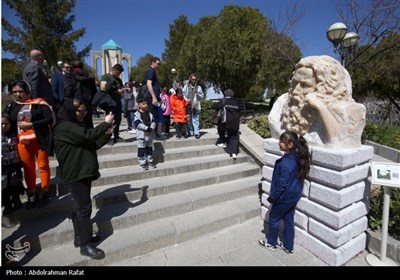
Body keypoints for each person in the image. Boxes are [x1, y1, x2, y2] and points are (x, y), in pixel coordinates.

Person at [54, 99, 114, 260]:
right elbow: (89, 136)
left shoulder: (75, 127)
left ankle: (81, 237)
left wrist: (106, 135)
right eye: (80, 111)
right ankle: (85, 245)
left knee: (81, 207)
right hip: (75, 173)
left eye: (84, 111)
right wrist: (105, 124)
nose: (83, 114)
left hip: (82, 172)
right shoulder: (65, 127)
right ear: (70, 111)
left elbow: (92, 144)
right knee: (84, 208)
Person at [4, 80, 55, 209]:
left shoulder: (39, 104)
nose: (17, 94)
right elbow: (7, 123)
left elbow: (49, 119)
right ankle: (32, 192)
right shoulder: (11, 107)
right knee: (28, 168)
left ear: (27, 92)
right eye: (14, 92)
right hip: (22, 143)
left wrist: (32, 125)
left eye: (20, 91)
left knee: (43, 165)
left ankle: (44, 191)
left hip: (40, 140)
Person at [258, 131, 311, 254]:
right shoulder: (297, 158)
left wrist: (273, 197)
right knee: (288, 220)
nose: (279, 143)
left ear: (290, 144)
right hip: (293, 197)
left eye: (282, 141)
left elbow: (282, 184)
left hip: (284, 198)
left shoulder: (287, 162)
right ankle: (288, 246)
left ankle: (271, 243)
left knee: (274, 218)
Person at [1, 114, 25, 216]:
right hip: (3, 166)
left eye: (6, 124)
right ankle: (7, 205)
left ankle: (16, 200)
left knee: (15, 183)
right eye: (1, 124)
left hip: (15, 164)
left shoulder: (15, 134)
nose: (3, 126)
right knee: (4, 187)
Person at [64, 60, 97, 129]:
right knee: (88, 123)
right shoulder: (89, 77)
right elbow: (94, 91)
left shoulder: (70, 76)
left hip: (75, 104)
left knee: (75, 125)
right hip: (87, 104)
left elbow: (68, 91)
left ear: (72, 67)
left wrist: (67, 102)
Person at [100, 64, 124, 144]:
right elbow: (103, 88)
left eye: (120, 73)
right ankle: (108, 138)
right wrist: (115, 91)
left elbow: (120, 88)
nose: (119, 74)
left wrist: (123, 90)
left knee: (118, 120)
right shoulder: (105, 76)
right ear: (113, 70)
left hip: (117, 102)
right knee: (110, 120)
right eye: (118, 72)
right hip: (109, 102)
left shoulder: (119, 80)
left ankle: (116, 136)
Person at [214, 89, 240, 159]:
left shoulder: (223, 101)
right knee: (233, 136)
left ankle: (223, 142)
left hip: (226, 121)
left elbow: (217, 107)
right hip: (235, 121)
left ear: (225, 94)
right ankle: (233, 153)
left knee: (220, 129)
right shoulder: (236, 102)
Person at [145, 57, 165, 139]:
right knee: (153, 116)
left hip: (154, 97)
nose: (159, 65)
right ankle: (154, 134)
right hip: (151, 98)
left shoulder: (153, 71)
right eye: (158, 63)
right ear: (153, 62)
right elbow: (149, 84)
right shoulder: (151, 71)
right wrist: (153, 97)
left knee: (155, 116)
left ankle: (155, 134)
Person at [134, 97, 157, 171]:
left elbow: (153, 122)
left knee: (149, 148)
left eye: (146, 104)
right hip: (141, 135)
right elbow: (138, 124)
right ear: (139, 105)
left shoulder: (149, 114)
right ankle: (142, 163)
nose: (146, 105)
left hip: (149, 134)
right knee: (141, 149)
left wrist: (151, 128)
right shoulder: (137, 114)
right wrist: (146, 128)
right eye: (144, 104)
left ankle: (150, 161)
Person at [182, 73, 203, 139]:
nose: (194, 80)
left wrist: (198, 95)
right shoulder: (186, 86)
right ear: (190, 79)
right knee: (189, 119)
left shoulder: (198, 87)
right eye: (192, 79)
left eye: (195, 79)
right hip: (188, 105)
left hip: (196, 105)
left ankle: (197, 133)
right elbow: (182, 94)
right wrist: (186, 99)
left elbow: (201, 96)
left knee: (196, 119)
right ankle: (190, 132)